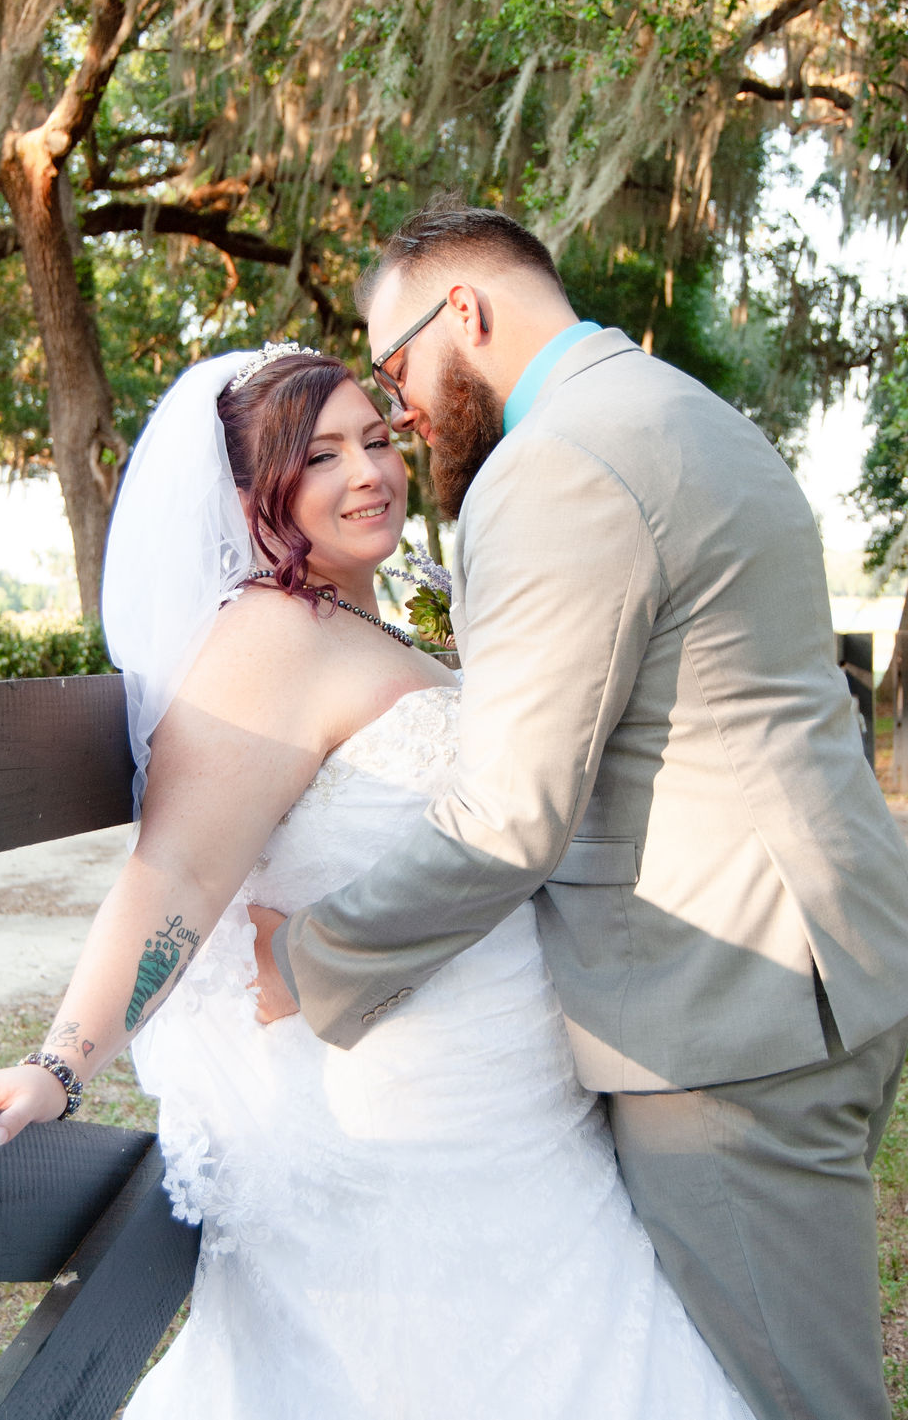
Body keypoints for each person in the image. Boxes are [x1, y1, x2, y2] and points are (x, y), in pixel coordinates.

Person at [0, 344, 756, 1419]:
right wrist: (62, 1061)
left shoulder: (385, 620)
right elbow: (180, 870)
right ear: (251, 496)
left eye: (375, 439)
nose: (367, 471)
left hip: (517, 1108)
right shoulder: (270, 636)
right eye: (320, 454)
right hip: (399, 1125)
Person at [257, 205, 908, 1420]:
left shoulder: (553, 465)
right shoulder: (687, 411)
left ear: (466, 313)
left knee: (797, 1395)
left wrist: (312, 953)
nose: (397, 409)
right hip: (831, 963)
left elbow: (510, 814)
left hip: (723, 1014)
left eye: (393, 368)